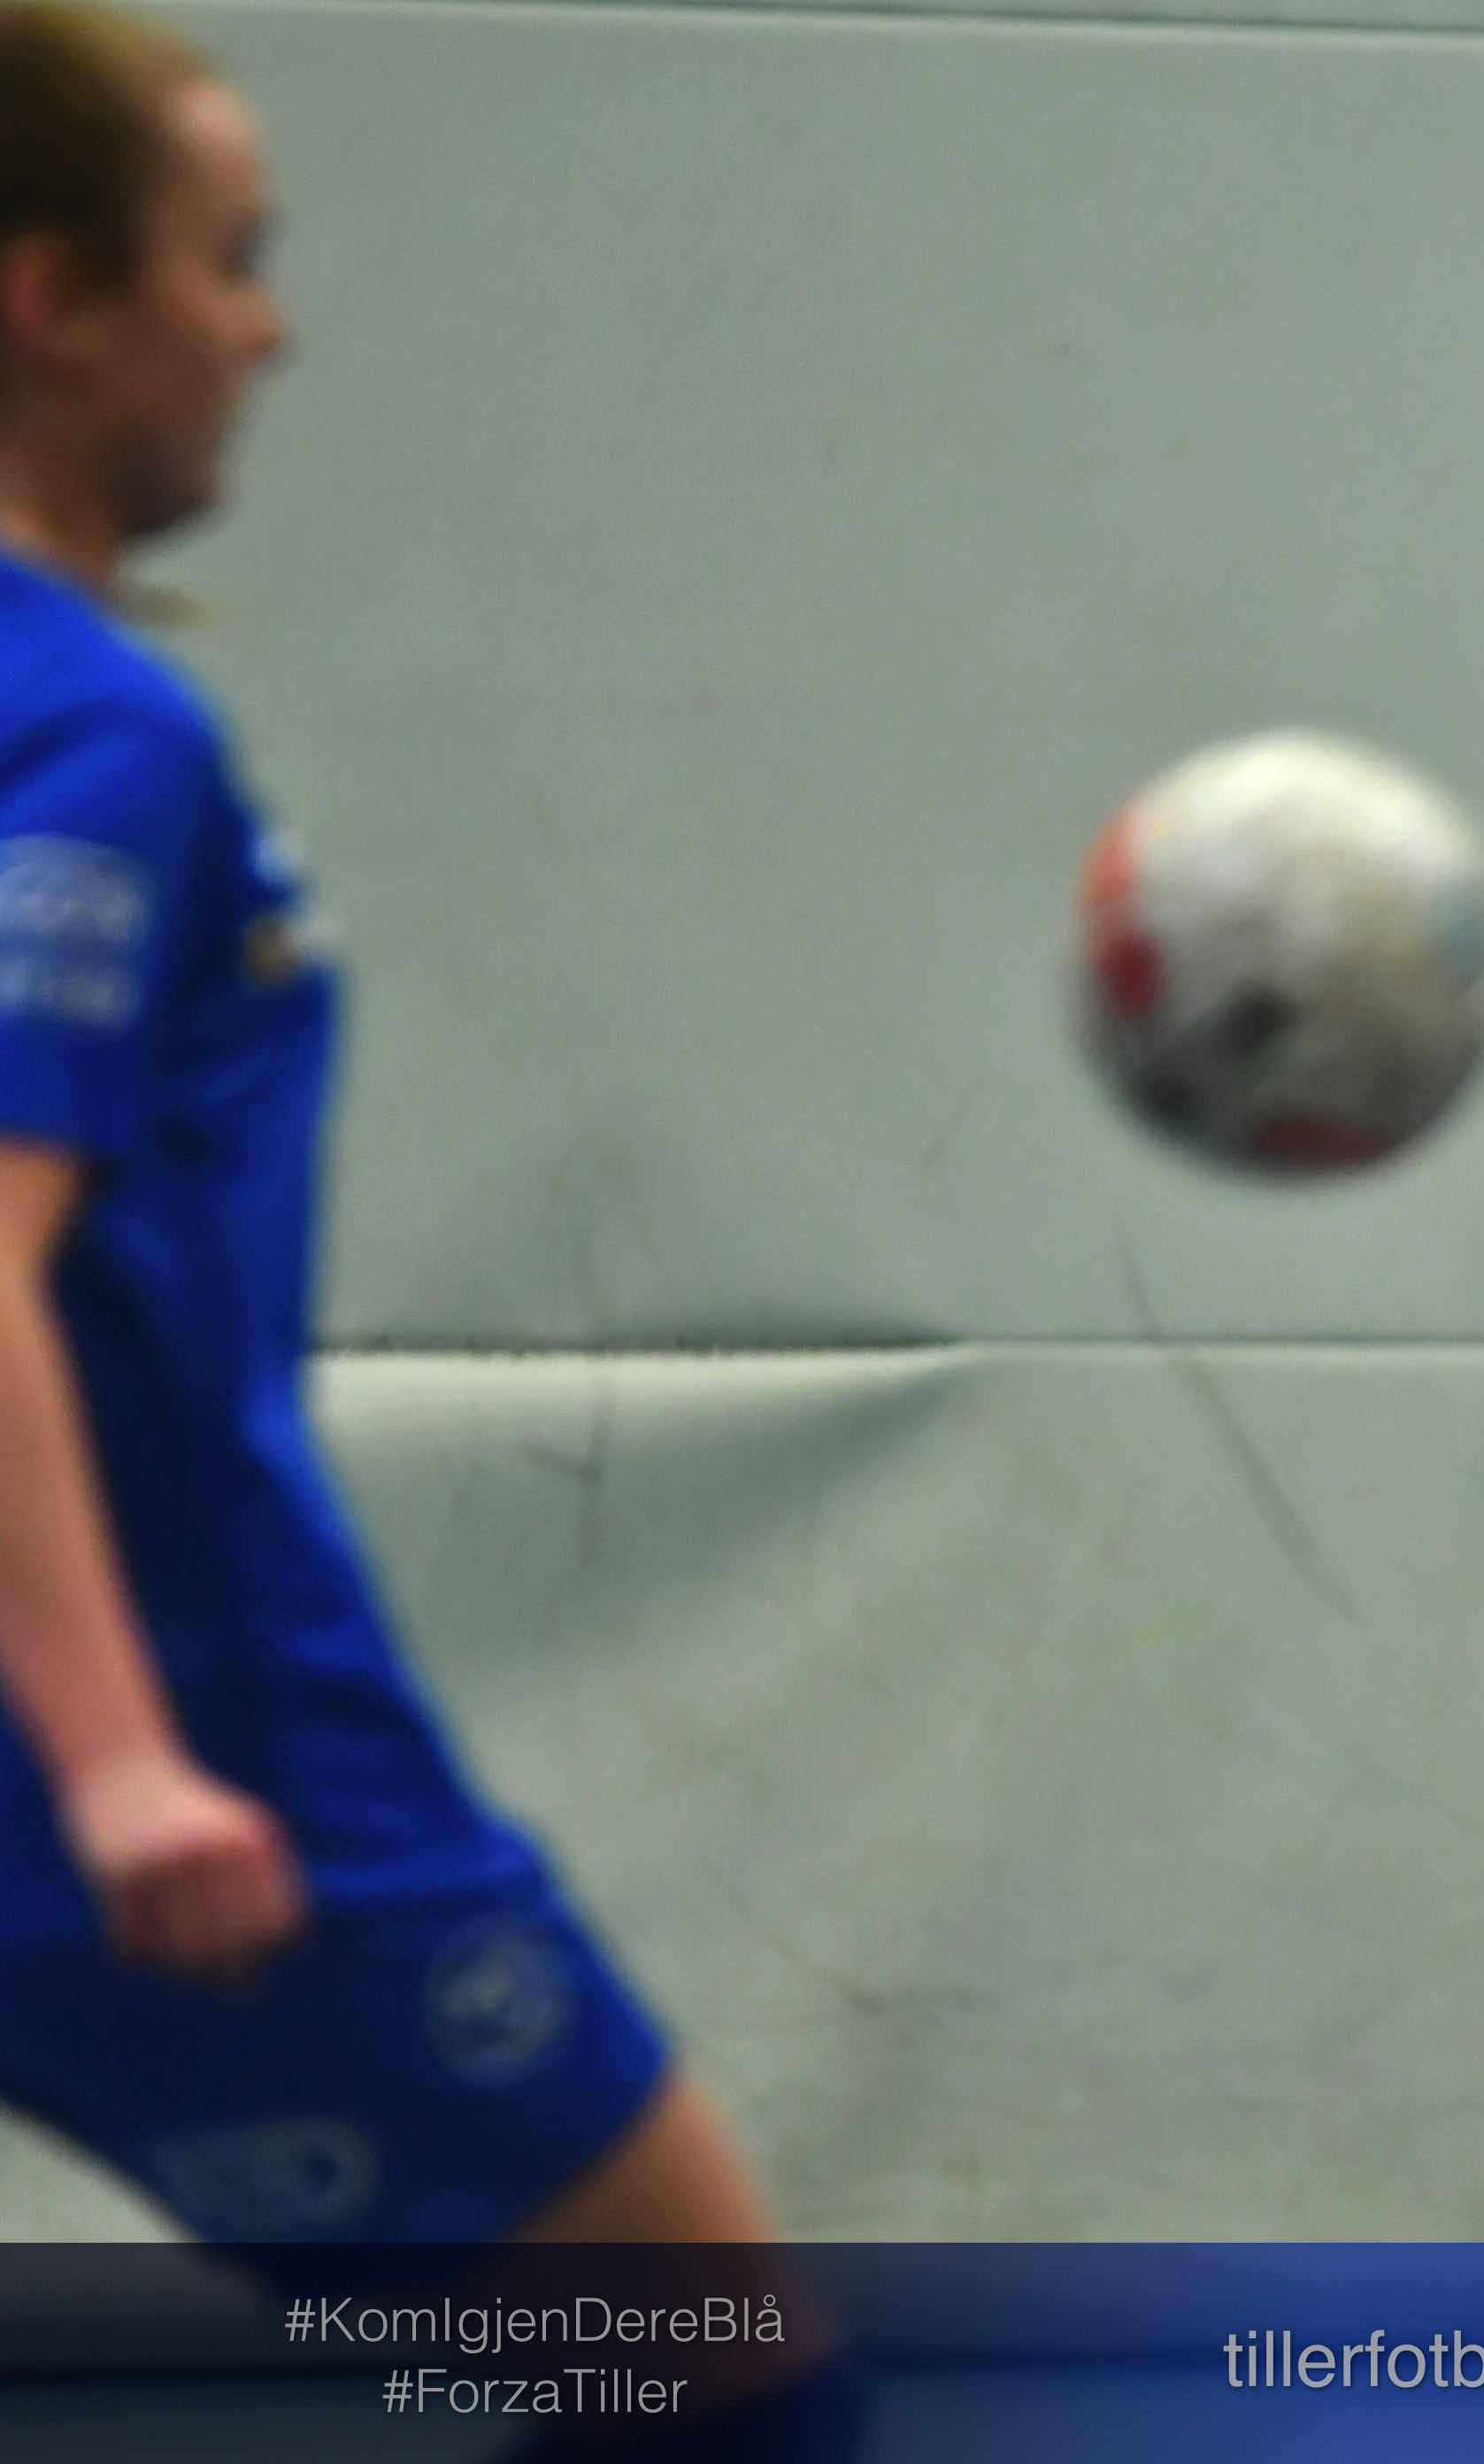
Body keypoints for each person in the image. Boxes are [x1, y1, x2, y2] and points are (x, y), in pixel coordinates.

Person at [0, 9, 856, 2450]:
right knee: (717, 2389)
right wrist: (121, 1761)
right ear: (53, 298)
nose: (263, 329)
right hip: (202, 1746)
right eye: (225, 261)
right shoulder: (90, 735)